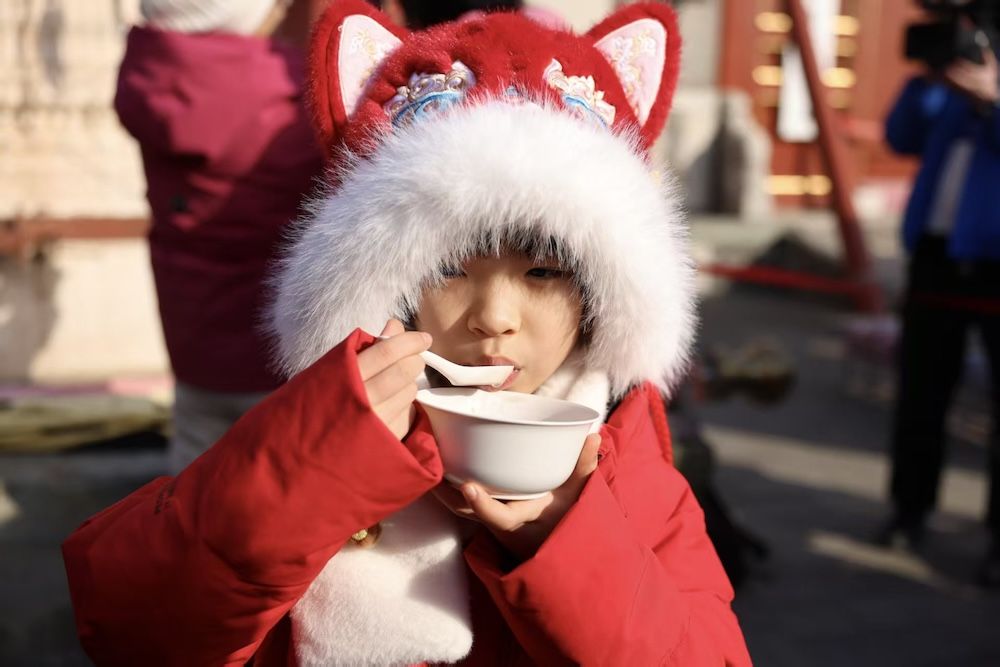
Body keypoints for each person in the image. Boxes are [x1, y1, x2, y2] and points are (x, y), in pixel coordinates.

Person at [62, 2, 753, 664]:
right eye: (450, 269)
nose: (496, 317)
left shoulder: (629, 466)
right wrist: (308, 468)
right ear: (387, 283)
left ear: (602, 298)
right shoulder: (320, 434)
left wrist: (564, 543)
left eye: (542, 272)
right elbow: (131, 630)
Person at [115, 0, 324, 473]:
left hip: (192, 342)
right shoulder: (285, 93)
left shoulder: (146, 73)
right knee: (273, 487)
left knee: (190, 478)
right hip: (273, 350)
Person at [881, 35, 1000, 586]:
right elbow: (901, 136)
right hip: (936, 256)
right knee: (920, 396)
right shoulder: (947, 85)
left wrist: (993, 100)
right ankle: (909, 510)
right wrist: (929, 80)